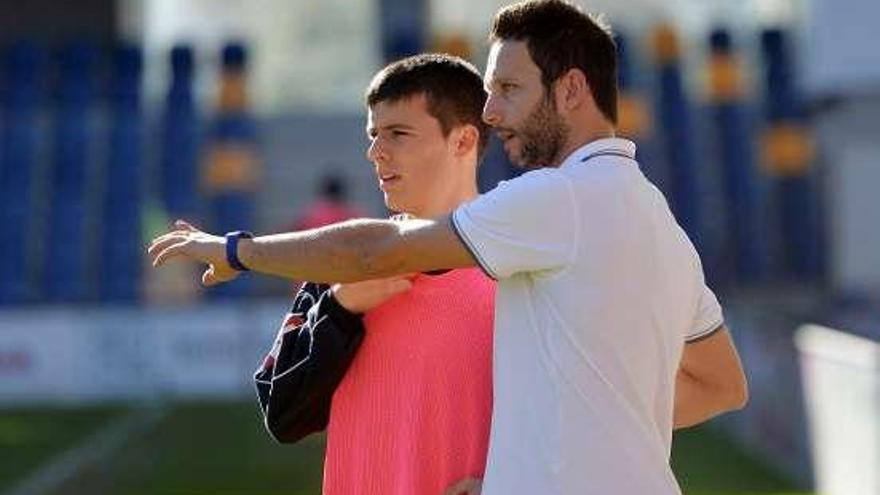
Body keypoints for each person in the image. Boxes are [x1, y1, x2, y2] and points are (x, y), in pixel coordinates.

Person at [148, 1, 748, 493]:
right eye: (372, 136)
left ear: (571, 90)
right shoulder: (662, 227)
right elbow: (724, 385)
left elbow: (373, 252)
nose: (492, 112)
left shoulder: (552, 206)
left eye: (509, 88)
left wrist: (235, 250)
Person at [256, 54, 495, 495]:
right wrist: (340, 309)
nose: (375, 152)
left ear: (462, 141)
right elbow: (283, 415)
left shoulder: (518, 269)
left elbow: (572, 423)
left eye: (398, 134)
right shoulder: (342, 266)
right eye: (373, 135)